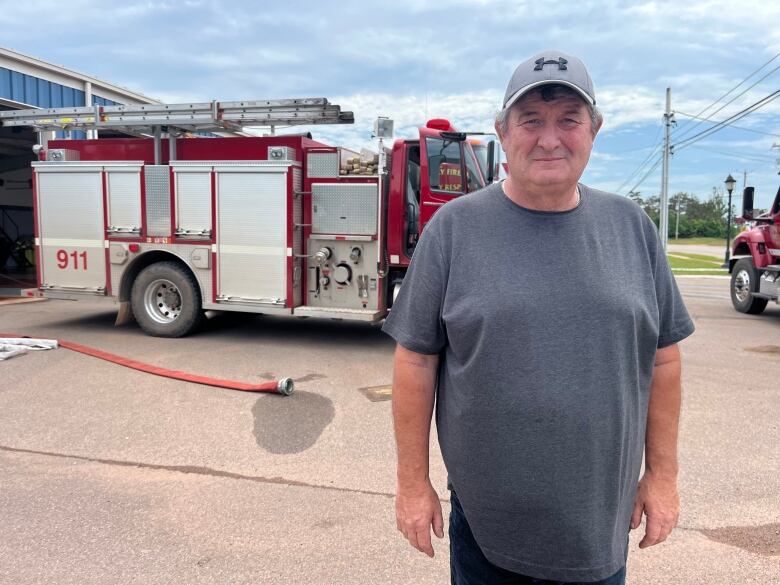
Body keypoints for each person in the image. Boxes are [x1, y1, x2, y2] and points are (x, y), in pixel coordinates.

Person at [382, 49, 695, 585]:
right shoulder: (454, 231)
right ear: (502, 134)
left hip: (599, 527)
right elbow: (415, 363)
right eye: (531, 121)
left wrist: (662, 476)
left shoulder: (633, 228)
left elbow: (664, 361)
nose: (550, 138)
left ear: (594, 131)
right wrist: (413, 483)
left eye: (569, 120)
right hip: (486, 528)